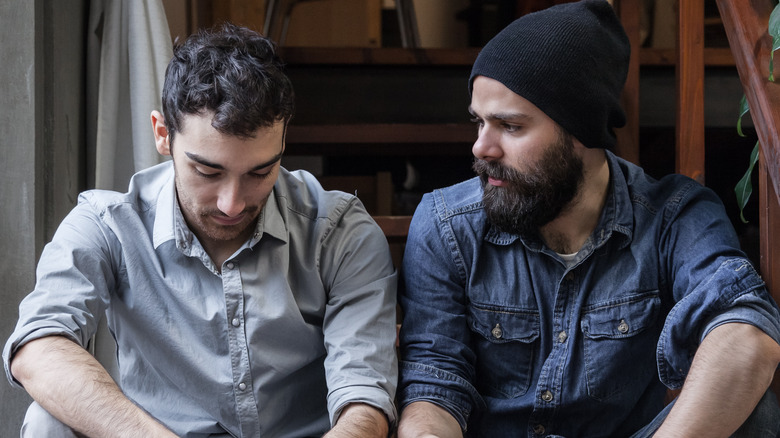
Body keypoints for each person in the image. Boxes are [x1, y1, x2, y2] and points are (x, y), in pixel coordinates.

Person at [396, 1, 780, 437]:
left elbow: (746, 335)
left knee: (752, 409)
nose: (481, 148)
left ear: (579, 130)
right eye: (479, 122)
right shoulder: (447, 224)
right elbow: (433, 387)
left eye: (510, 126)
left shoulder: (674, 216)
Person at [4, 23, 397, 438]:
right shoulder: (108, 224)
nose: (233, 203)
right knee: (47, 421)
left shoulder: (340, 231)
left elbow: (364, 404)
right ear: (162, 134)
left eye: (260, 172)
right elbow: (39, 346)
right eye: (208, 171)